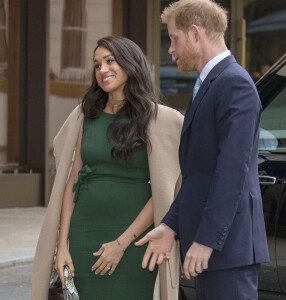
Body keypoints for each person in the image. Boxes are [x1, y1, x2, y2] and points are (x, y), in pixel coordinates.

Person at [31, 36, 183, 300]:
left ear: (130, 64)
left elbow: (163, 192)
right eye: (97, 64)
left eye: (110, 61)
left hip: (135, 240)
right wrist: (62, 245)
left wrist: (121, 244)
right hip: (84, 233)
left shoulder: (158, 118)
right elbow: (72, 181)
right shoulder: (85, 115)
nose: (102, 70)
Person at [136, 1, 270, 299]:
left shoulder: (234, 84)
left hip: (227, 252)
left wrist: (207, 240)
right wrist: (170, 225)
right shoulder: (212, 83)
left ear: (195, 33)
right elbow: (199, 175)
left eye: (174, 38)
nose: (171, 49)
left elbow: (232, 172)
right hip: (212, 250)